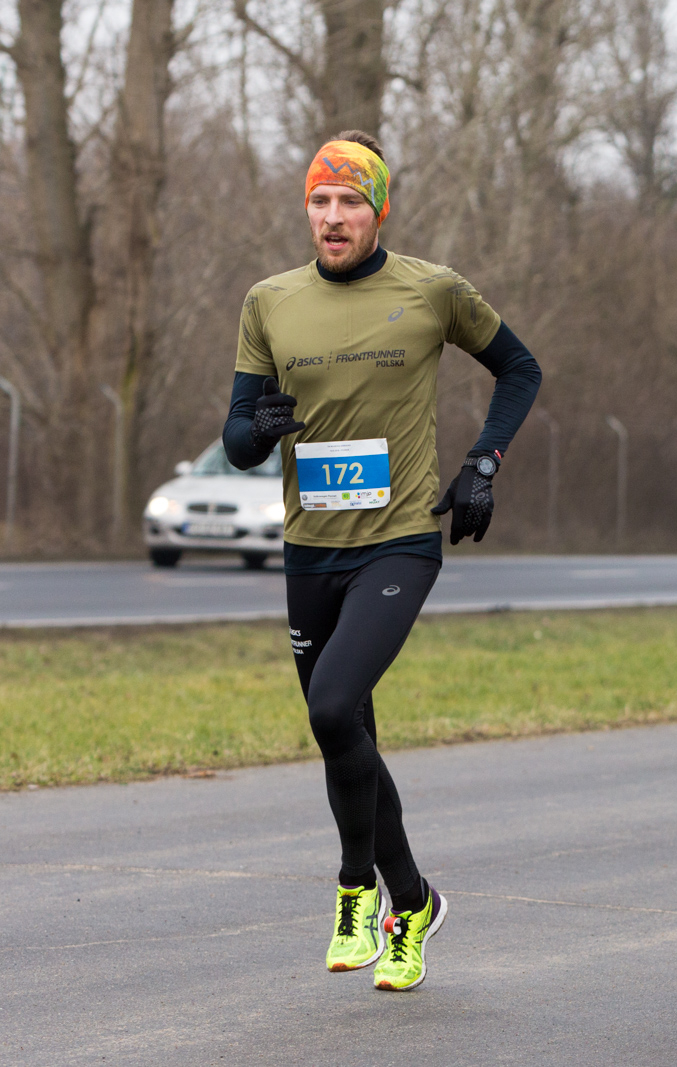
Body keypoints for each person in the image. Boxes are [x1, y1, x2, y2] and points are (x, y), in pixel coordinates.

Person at [223, 132, 540, 989]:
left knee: (331, 704)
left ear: (378, 209)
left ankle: (356, 887)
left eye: (350, 202)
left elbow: (520, 368)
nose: (333, 217)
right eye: (320, 201)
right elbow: (237, 434)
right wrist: (251, 434)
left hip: (398, 538)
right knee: (348, 730)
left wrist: (483, 463)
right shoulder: (268, 301)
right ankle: (415, 900)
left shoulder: (431, 290)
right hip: (309, 545)